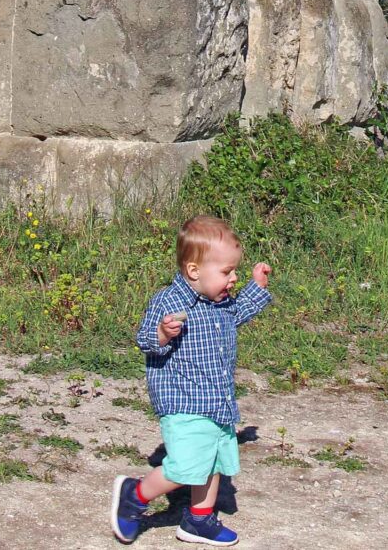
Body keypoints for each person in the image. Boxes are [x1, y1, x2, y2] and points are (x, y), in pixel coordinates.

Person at [110, 215, 272, 546]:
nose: (233, 278)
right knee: (185, 466)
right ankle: (134, 495)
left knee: (212, 462)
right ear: (194, 271)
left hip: (217, 400)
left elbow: (237, 314)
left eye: (234, 271)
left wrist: (256, 288)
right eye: (226, 272)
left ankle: (199, 519)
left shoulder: (220, 303)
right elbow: (144, 340)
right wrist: (162, 333)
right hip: (184, 401)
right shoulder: (170, 301)